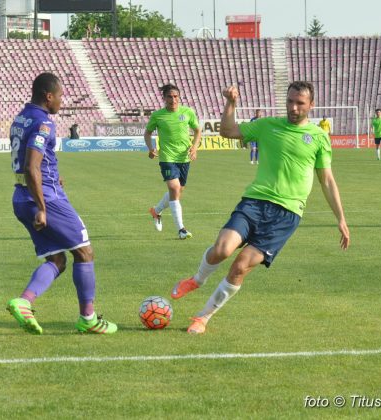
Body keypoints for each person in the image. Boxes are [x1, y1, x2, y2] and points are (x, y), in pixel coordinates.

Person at [171, 81, 350, 334]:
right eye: (290, 101)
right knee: (222, 249)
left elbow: (327, 180)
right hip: (254, 202)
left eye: (300, 103)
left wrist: (340, 218)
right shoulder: (267, 125)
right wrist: (231, 103)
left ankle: (203, 317)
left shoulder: (319, 137)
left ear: (311, 105)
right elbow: (227, 131)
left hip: (286, 215)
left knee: (240, 266)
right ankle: (196, 280)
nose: (294, 108)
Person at [6, 72, 117, 335]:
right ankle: (88, 319)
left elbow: (33, 163)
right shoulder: (43, 123)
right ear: (48, 96)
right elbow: (32, 166)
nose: (61, 101)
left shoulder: (21, 117)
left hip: (21, 196)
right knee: (84, 252)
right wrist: (43, 207)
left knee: (57, 259)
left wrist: (52, 176)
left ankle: (24, 302)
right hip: (44, 198)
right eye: (60, 96)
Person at [144, 84, 202, 239]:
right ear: (164, 98)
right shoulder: (158, 115)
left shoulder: (187, 112)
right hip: (167, 157)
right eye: (169, 96)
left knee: (177, 191)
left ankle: (156, 211)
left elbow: (198, 130)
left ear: (179, 97)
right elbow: (147, 133)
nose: (173, 99)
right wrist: (151, 148)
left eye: (175, 96)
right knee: (174, 188)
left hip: (184, 158)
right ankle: (181, 229)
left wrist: (194, 148)